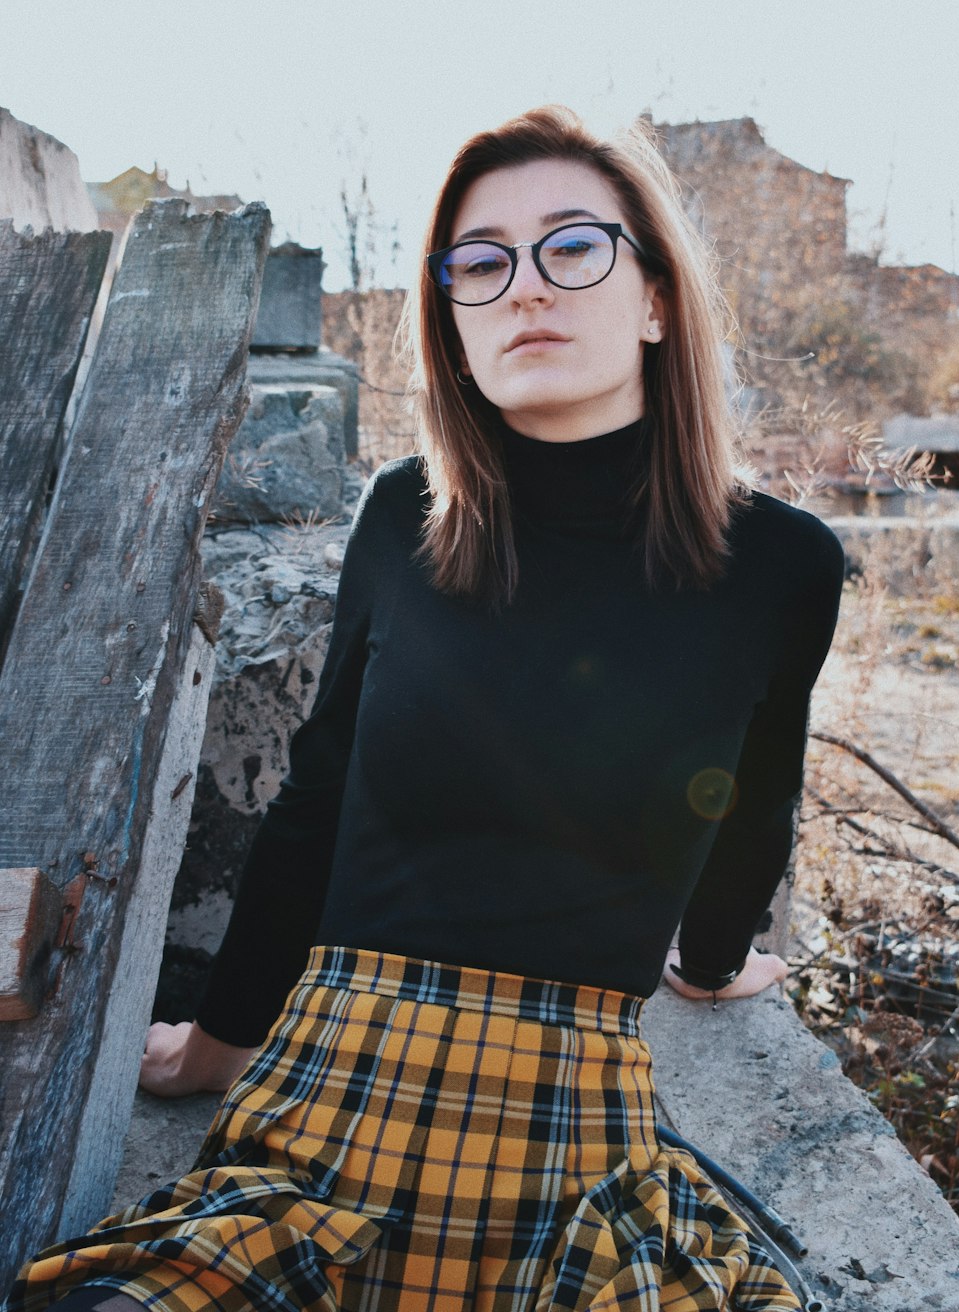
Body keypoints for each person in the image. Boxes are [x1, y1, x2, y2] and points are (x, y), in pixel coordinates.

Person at [7, 105, 843, 1312]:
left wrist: (712, 966)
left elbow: (754, 800)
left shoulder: (782, 560)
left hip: (569, 1138)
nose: (523, 289)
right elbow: (314, 792)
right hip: (324, 1103)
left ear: (656, 296)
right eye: (480, 261)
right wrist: (212, 1045)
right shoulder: (406, 516)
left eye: (571, 247)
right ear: (449, 314)